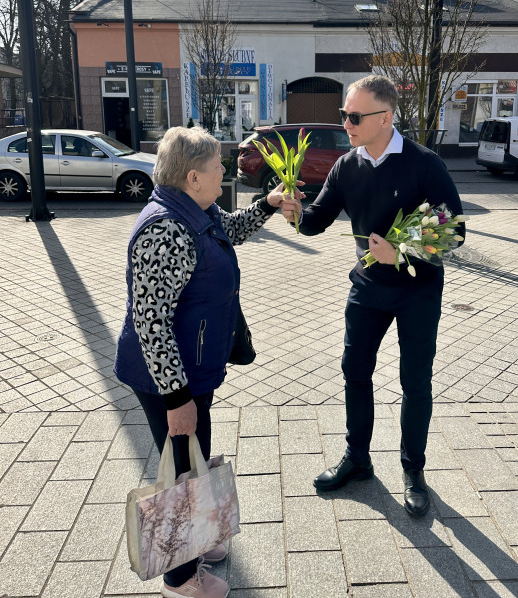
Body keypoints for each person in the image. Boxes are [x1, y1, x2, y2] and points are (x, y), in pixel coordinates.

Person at [280, 75, 465, 517]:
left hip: (417, 291)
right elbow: (317, 220)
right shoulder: (347, 165)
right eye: (344, 114)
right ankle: (357, 460)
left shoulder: (425, 164)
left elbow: (454, 230)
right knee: (354, 372)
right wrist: (294, 215)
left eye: (354, 116)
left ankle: (413, 470)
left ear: (385, 118)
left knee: (414, 381)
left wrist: (401, 249)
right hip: (367, 289)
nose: (346, 123)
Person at [115, 126, 288, 598]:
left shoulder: (194, 210)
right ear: (193, 177)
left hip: (193, 368)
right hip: (167, 378)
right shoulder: (163, 231)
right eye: (218, 168)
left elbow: (226, 230)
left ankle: (200, 533)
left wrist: (266, 207)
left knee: (193, 459)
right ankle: (178, 577)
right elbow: (152, 325)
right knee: (183, 470)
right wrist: (176, 400)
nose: (225, 173)